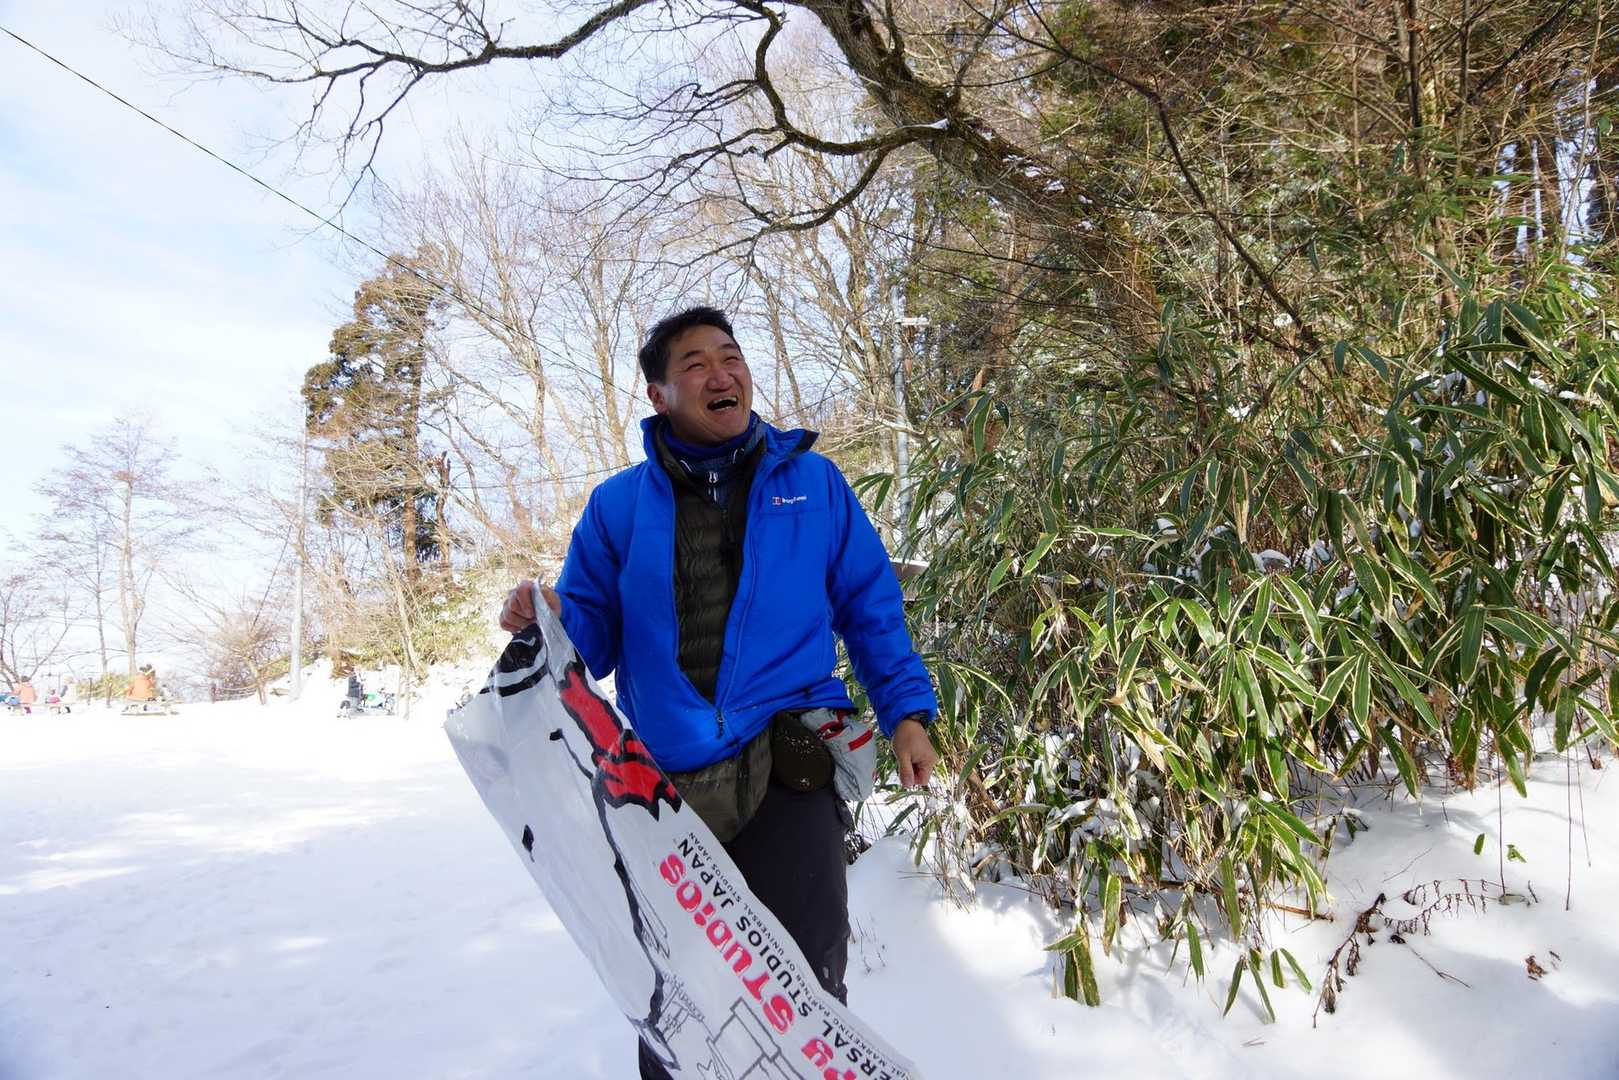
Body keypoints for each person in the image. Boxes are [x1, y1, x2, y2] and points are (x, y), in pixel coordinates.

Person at [499, 305, 939, 1079]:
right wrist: (554, 619)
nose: (720, 372)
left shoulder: (812, 484)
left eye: (729, 356)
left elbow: (870, 607)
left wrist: (906, 712)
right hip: (663, 789)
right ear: (659, 395)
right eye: (694, 363)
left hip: (788, 758)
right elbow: (590, 641)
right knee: (678, 998)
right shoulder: (617, 507)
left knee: (805, 984)